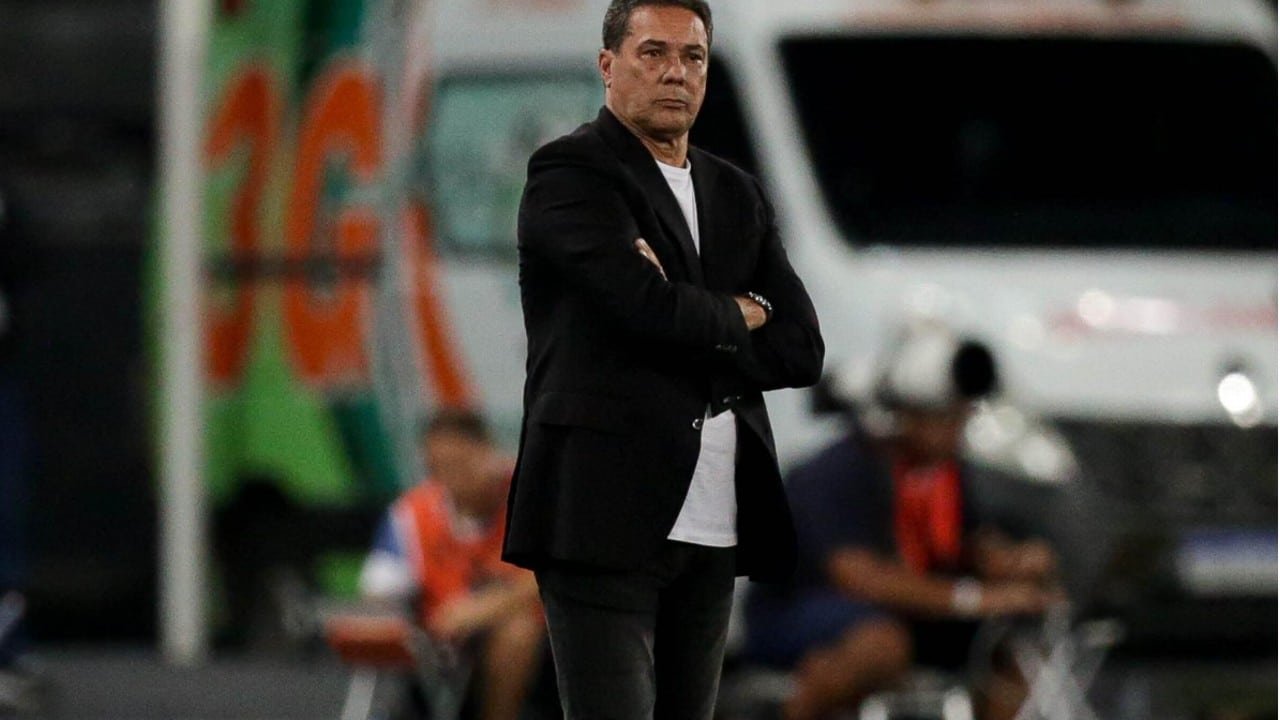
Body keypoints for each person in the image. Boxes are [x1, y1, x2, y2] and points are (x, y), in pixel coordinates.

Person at [502, 1, 825, 717]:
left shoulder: (735, 192)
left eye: (694, 57)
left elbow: (802, 347)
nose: (675, 72)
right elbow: (643, 310)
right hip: (600, 506)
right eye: (653, 53)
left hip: (714, 512)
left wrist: (693, 306)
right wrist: (742, 309)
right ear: (608, 65)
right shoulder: (571, 173)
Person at [745, 323, 1062, 720]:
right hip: (801, 611)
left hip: (901, 613)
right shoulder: (840, 469)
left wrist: (1012, 564)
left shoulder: (943, 474)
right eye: (948, 419)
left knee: (1006, 649)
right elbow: (857, 576)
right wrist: (971, 598)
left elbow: (968, 545)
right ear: (906, 414)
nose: (959, 431)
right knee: (881, 643)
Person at [360, 409, 546, 720]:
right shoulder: (411, 515)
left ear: (488, 451)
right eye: (439, 468)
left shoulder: (532, 497)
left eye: (461, 465)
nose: (451, 478)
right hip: (439, 644)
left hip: (536, 647)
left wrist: (485, 608)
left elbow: (558, 574)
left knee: (518, 632)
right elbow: (378, 592)